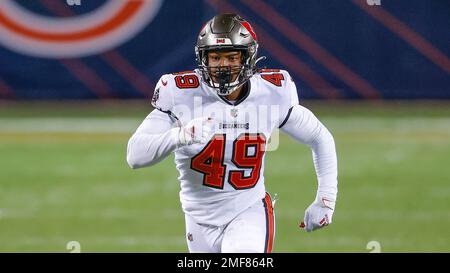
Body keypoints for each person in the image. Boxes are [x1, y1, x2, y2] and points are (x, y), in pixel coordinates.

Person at [127, 14, 338, 253]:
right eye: (215, 57)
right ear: (203, 58)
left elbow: (320, 137)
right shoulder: (180, 92)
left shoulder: (271, 93)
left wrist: (325, 200)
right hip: (197, 218)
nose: (222, 65)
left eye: (231, 56)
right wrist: (180, 136)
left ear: (248, 58)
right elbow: (135, 155)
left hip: (247, 211)